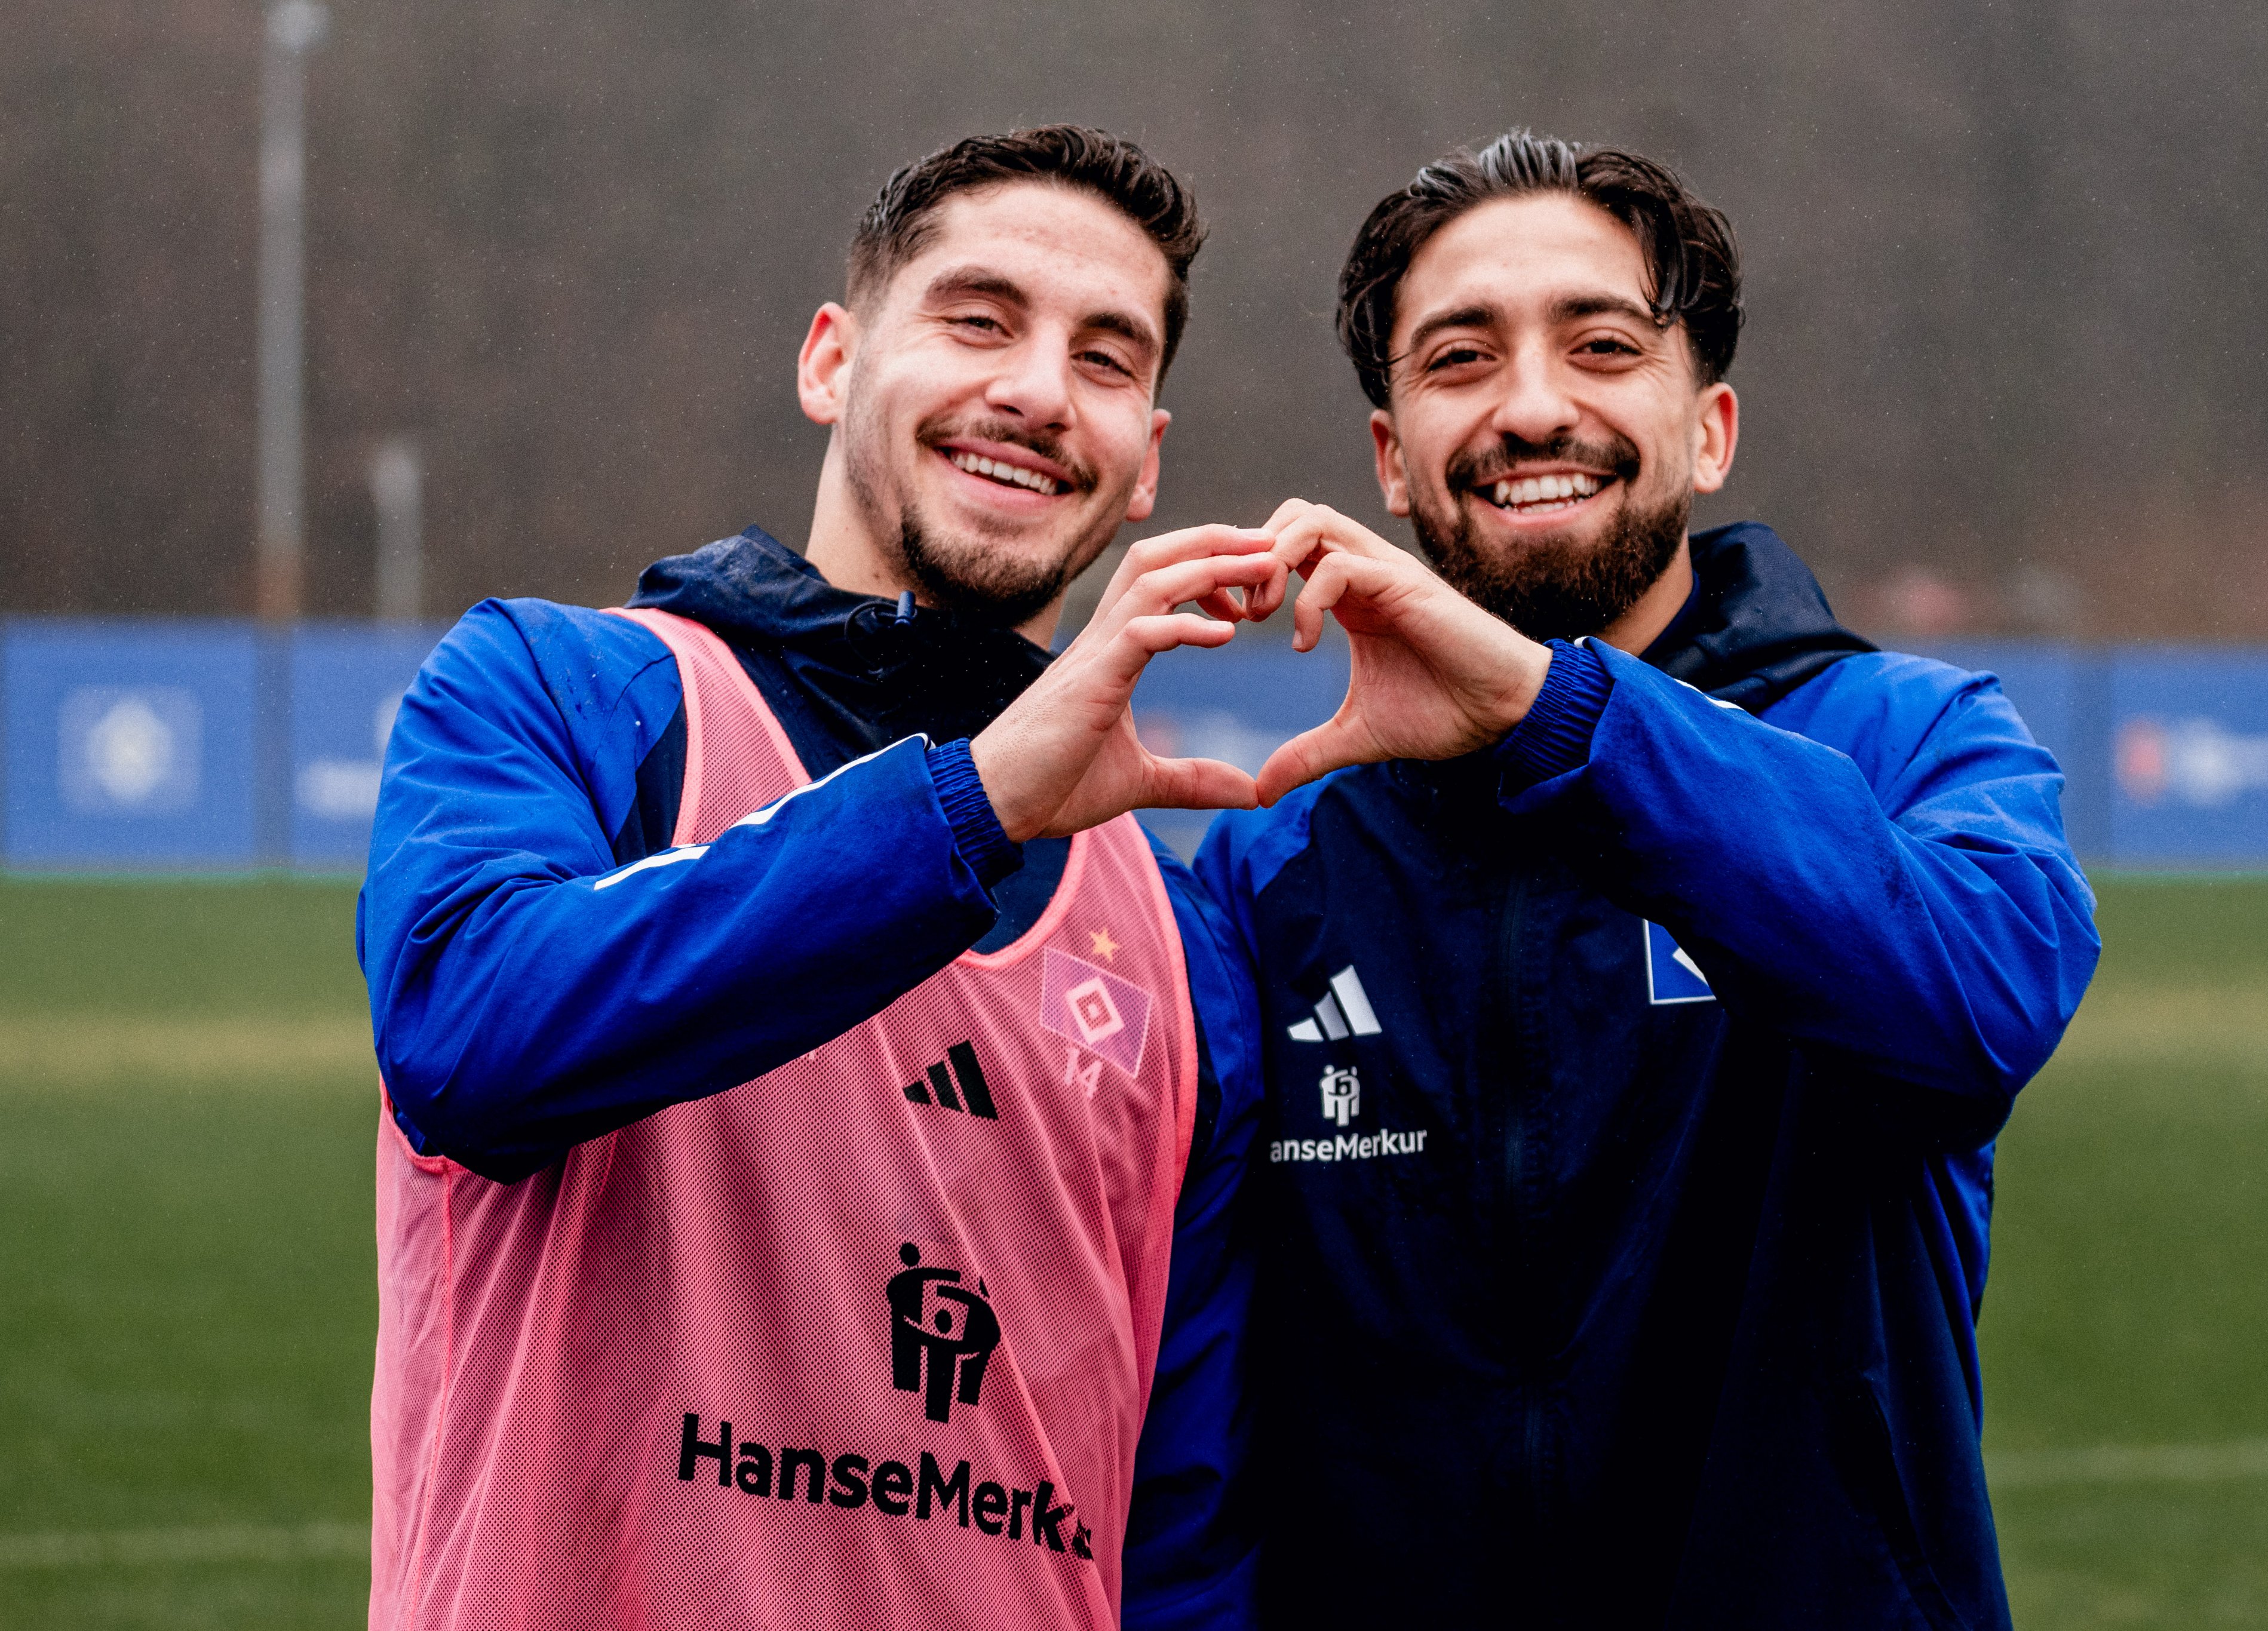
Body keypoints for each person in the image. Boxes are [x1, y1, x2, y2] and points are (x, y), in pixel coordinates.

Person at [360, 127, 1274, 1631]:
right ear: (830, 361)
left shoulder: (1177, 939)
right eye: (977, 320)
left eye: (1104, 358)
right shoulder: (569, 693)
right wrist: (967, 806)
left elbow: (1179, 1518)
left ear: (1143, 468)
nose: (1037, 390)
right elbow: (468, 1042)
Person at [1198, 133, 2101, 1627]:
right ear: (1388, 456)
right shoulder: (1266, 866)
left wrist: (1563, 724)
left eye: (1602, 345)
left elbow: (1973, 1012)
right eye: (1460, 360)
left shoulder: (1909, 739)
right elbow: (1182, 1386)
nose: (1533, 406)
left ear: (1709, 429)